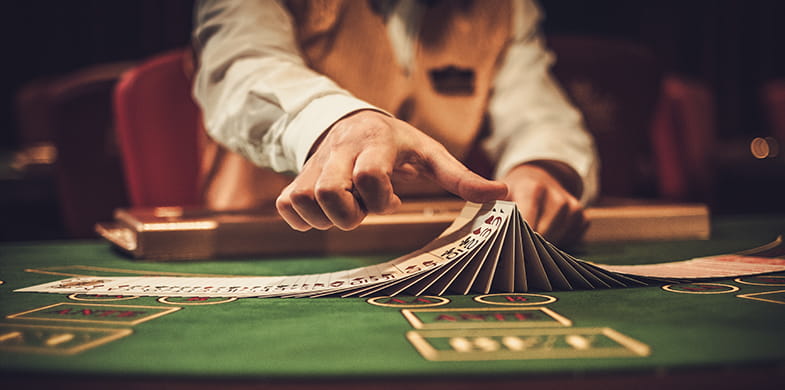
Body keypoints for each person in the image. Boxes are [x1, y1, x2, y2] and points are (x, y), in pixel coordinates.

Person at [192, 0, 599, 245]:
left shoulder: (506, 7)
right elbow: (240, 67)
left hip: (433, 251)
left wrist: (541, 167)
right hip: (265, 242)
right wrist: (341, 124)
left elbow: (539, 113)